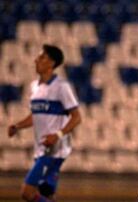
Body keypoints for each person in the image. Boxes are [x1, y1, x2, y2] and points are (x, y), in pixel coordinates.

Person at [7, 44, 81, 202]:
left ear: (52, 63)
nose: (36, 60)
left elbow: (76, 117)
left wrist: (57, 135)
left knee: (27, 193)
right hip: (41, 148)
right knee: (46, 194)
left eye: (42, 57)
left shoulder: (62, 87)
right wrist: (17, 126)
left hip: (54, 150)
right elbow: (35, 115)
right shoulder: (34, 87)